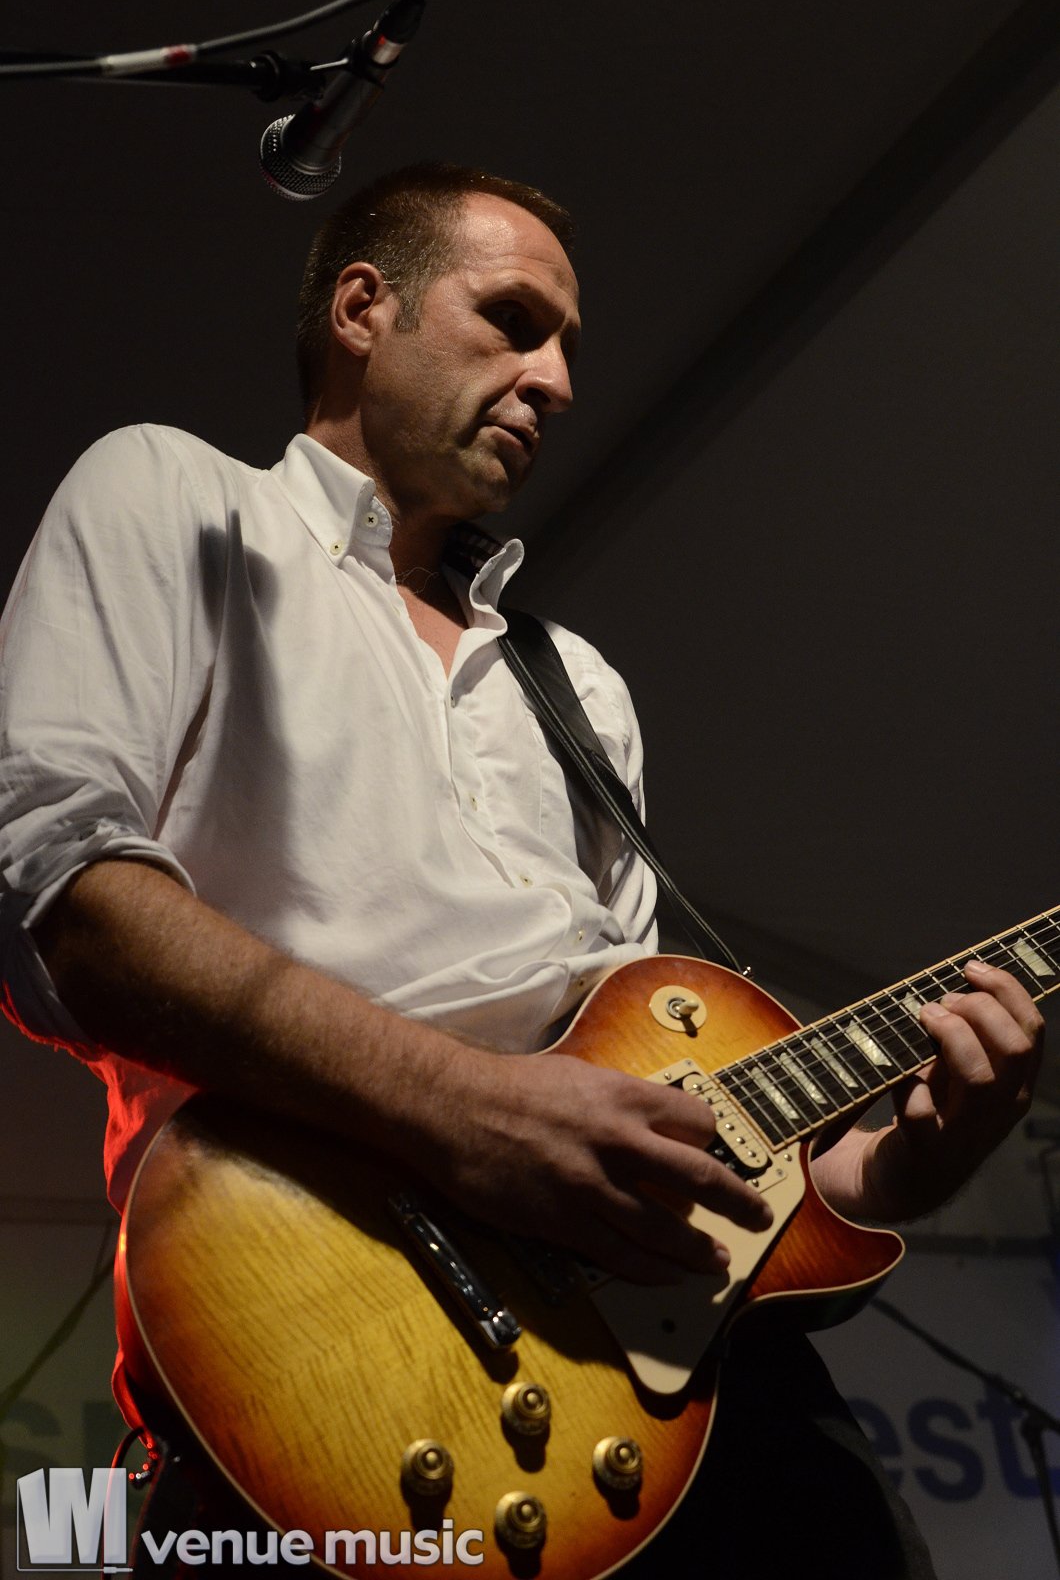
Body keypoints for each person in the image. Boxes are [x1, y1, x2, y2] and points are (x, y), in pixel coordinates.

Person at [0, 163, 1043, 1577]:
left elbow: (680, 1112)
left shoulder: (580, 689)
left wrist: (907, 1161)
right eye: (512, 321)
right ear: (363, 309)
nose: (555, 381)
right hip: (338, 1334)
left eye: (568, 348)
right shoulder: (177, 498)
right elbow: (61, 896)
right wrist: (474, 1111)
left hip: (688, 1393)